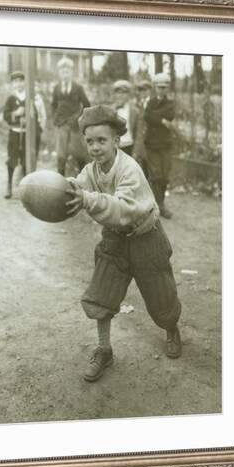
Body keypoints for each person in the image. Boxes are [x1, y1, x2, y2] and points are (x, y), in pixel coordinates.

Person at [65, 105, 182, 382]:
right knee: (101, 292)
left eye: (102, 140)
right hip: (115, 239)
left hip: (146, 236)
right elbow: (78, 185)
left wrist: (87, 200)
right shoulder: (92, 170)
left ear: (116, 141)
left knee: (161, 296)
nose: (95, 147)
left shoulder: (130, 169)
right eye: (90, 141)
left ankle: (171, 329)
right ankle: (104, 349)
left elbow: (123, 209)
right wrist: (61, 188)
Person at [51, 57, 91, 175]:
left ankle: (83, 180)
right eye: (63, 72)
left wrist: (78, 118)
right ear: (59, 73)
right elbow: (53, 104)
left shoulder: (78, 88)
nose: (65, 74)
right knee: (61, 154)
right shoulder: (56, 88)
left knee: (78, 153)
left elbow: (86, 105)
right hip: (61, 124)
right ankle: (60, 179)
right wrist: (55, 118)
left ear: (72, 72)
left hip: (75, 126)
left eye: (67, 71)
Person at [144, 72, 175, 219]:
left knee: (164, 175)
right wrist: (161, 119)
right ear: (155, 88)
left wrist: (157, 116)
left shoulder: (171, 104)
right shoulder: (150, 103)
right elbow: (147, 116)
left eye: (164, 87)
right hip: (152, 144)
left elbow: (169, 115)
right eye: (159, 87)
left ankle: (159, 203)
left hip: (165, 144)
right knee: (156, 175)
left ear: (168, 88)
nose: (162, 90)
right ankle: (159, 205)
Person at [2, 71, 27, 199]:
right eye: (16, 81)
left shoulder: (29, 97)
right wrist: (15, 113)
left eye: (21, 81)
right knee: (12, 159)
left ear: (25, 82)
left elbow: (36, 115)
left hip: (27, 134)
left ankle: (27, 189)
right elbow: (5, 115)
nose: (19, 84)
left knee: (26, 160)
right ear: (13, 84)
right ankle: (9, 185)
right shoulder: (11, 99)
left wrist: (28, 118)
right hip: (15, 133)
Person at [133, 79, 152, 179]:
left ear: (149, 91)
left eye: (145, 90)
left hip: (151, 142)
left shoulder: (152, 104)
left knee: (152, 171)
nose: (143, 93)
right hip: (141, 143)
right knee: (144, 170)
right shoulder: (139, 105)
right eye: (140, 91)